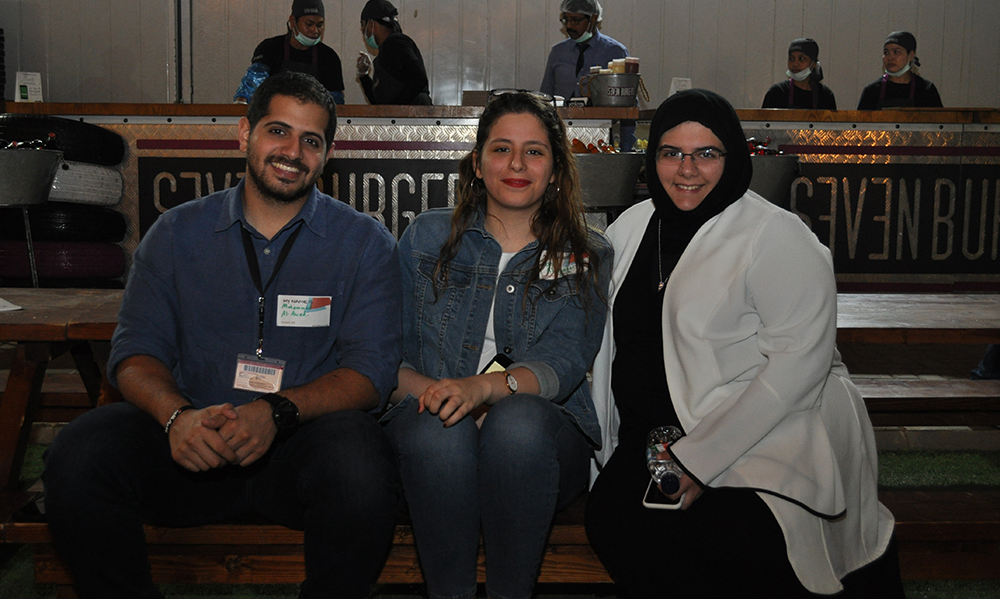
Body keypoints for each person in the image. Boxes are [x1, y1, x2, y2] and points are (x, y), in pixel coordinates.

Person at [43, 72, 403, 599]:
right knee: (78, 453)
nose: (292, 152)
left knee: (361, 462)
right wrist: (176, 417)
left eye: (311, 140)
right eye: (278, 131)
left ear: (327, 155)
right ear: (243, 134)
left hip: (300, 449)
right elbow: (135, 355)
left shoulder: (365, 243)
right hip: (189, 445)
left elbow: (371, 374)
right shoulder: (176, 233)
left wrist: (276, 411)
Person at [584, 89, 904, 598]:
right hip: (651, 437)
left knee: (731, 538)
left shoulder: (776, 236)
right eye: (671, 152)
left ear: (732, 157)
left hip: (761, 434)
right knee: (611, 519)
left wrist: (699, 459)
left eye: (706, 153)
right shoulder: (632, 227)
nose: (687, 170)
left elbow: (798, 365)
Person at [384, 91, 612, 599]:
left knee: (516, 423)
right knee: (439, 426)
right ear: (477, 163)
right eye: (501, 148)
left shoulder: (587, 251)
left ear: (556, 169)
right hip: (427, 422)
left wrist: (483, 391)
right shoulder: (425, 237)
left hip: (540, 436)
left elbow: (565, 361)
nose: (516, 164)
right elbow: (382, 354)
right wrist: (448, 397)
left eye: (534, 151)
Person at [234, 0, 346, 104]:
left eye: (319, 25)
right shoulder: (270, 48)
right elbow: (255, 78)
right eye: (309, 24)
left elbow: (335, 101)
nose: (315, 30)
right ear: (292, 22)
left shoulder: (329, 57)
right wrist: (242, 100)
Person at [539, 0, 628, 101]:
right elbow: (545, 96)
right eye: (566, 19)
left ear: (593, 19)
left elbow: (627, 100)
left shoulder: (615, 52)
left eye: (575, 20)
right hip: (562, 112)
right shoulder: (558, 52)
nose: (569, 25)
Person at [355, 0, 432, 105]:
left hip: (412, 114)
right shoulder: (385, 52)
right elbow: (378, 104)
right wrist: (363, 75)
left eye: (363, 25)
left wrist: (394, 108)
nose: (363, 30)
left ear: (371, 24)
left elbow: (418, 78)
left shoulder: (395, 43)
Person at [857, 31, 942, 110]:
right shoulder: (872, 91)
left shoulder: (926, 90)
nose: (890, 57)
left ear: (911, 55)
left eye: (896, 52)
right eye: (886, 53)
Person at [761, 37, 837, 110]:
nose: (795, 64)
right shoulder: (777, 93)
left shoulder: (825, 95)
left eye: (802, 59)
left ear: (814, 63)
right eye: (791, 59)